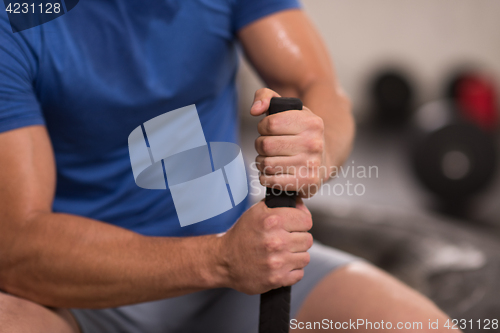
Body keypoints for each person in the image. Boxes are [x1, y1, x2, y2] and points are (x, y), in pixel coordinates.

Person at [0, 0, 452, 332]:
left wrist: (316, 147)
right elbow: (17, 249)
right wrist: (219, 259)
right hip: (83, 294)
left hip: (238, 280)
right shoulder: (16, 20)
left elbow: (317, 86)